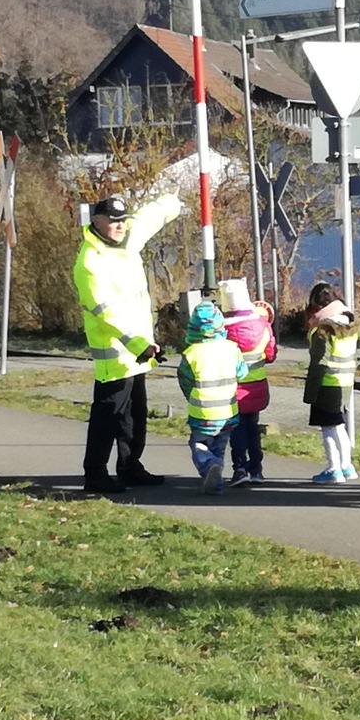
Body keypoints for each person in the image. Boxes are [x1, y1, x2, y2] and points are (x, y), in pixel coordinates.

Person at [73, 191, 183, 494]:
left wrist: (173, 200)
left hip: (137, 352)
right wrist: (138, 344)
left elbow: (148, 218)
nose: (120, 226)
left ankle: (129, 466)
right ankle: (95, 473)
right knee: (107, 417)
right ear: (97, 221)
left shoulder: (126, 242)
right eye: (113, 221)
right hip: (116, 355)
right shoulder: (90, 262)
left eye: (122, 221)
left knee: (134, 416)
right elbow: (105, 312)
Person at [176, 301, 247, 495]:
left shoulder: (191, 354)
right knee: (220, 447)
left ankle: (209, 466)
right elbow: (242, 373)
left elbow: (185, 381)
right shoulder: (232, 349)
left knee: (199, 445)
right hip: (228, 411)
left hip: (203, 412)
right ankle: (216, 485)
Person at [219, 278, 277, 486]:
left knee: (236, 429)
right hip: (258, 386)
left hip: (233, 389)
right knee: (253, 428)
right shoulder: (261, 325)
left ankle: (240, 468)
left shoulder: (221, 329)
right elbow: (270, 354)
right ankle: (257, 470)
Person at [303, 282, 358, 484]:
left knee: (328, 428)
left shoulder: (322, 330)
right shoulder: (349, 324)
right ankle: (347, 466)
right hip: (345, 382)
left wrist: (310, 393)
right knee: (339, 426)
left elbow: (318, 363)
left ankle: (334, 469)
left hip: (327, 383)